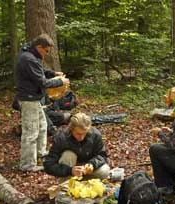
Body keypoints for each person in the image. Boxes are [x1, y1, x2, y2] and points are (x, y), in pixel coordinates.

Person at [15, 34, 70, 172]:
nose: (47, 54)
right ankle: (27, 164)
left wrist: (53, 73)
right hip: (29, 99)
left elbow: (39, 72)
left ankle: (40, 152)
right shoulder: (28, 58)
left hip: (34, 97)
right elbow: (42, 82)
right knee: (31, 131)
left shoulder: (31, 55)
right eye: (46, 51)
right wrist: (60, 81)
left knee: (42, 125)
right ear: (39, 47)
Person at [43, 112, 110, 179]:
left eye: (84, 133)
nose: (81, 137)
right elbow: (48, 165)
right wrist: (70, 170)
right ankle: (67, 183)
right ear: (71, 129)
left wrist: (91, 164)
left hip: (86, 167)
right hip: (69, 169)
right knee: (68, 155)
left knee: (104, 170)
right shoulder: (61, 137)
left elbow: (101, 155)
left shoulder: (95, 135)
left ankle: (84, 182)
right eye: (78, 134)